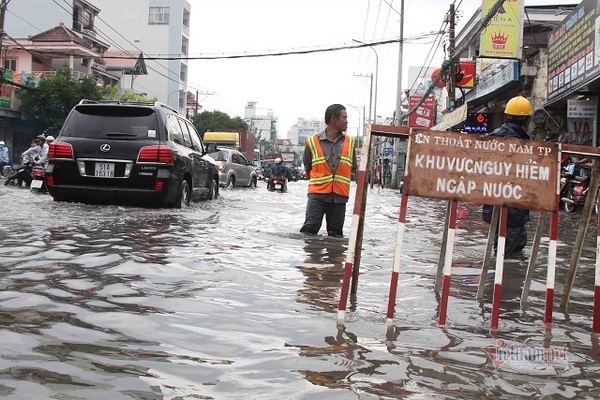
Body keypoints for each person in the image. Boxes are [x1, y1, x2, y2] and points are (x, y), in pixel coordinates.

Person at [482, 95, 532, 257]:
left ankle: (502, 279)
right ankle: (506, 280)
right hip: (513, 207)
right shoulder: (518, 143)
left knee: (507, 248)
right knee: (508, 255)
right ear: (527, 120)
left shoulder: (493, 137)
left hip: (494, 201)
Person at [300, 104, 356, 237]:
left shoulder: (350, 142)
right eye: (344, 117)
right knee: (309, 231)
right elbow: (308, 167)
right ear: (333, 119)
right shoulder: (312, 142)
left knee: (336, 235)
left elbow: (352, 167)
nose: (347, 121)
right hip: (317, 196)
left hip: (339, 197)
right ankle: (312, 258)